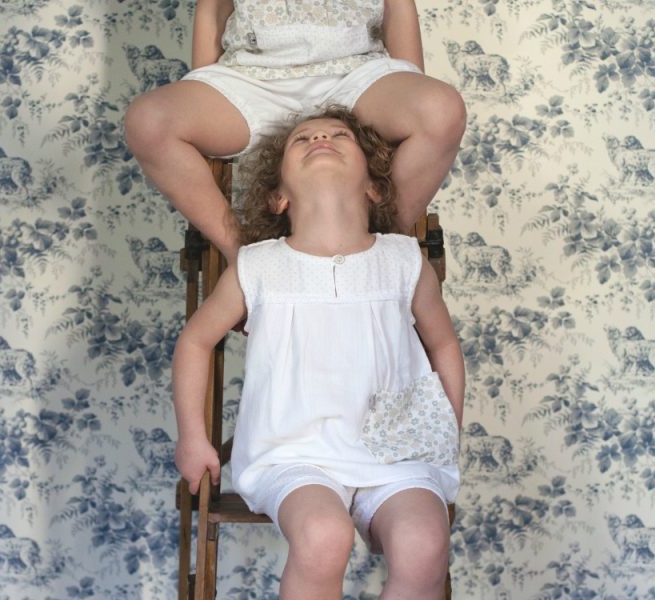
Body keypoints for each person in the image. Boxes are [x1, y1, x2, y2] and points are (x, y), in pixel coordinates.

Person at [172, 107, 464, 598]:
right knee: (323, 536)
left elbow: (444, 344)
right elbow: (196, 340)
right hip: (295, 452)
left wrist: (445, 426)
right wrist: (193, 438)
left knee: (424, 542)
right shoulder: (258, 266)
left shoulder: (402, 260)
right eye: (302, 139)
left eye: (338, 135)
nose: (320, 138)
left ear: (374, 188)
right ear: (278, 197)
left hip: (396, 450)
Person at [125, 0, 467, 264]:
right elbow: (212, 7)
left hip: (356, 76)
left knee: (441, 110)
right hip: (251, 78)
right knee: (149, 121)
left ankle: (375, 252)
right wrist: (203, 88)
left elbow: (398, 6)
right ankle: (242, 258)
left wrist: (410, 84)